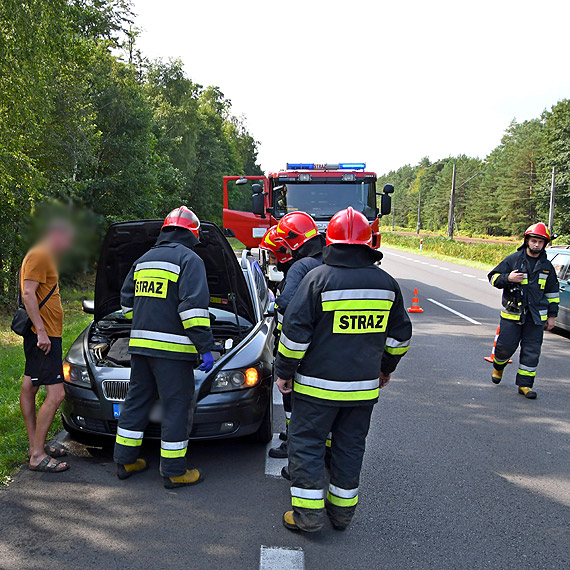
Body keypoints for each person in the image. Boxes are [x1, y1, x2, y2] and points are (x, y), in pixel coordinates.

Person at [274, 207, 412, 532]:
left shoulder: (316, 279)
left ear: (330, 243)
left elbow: (295, 335)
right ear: (368, 243)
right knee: (349, 448)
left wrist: (285, 372)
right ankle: (341, 515)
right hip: (362, 390)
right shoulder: (387, 285)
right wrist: (386, 368)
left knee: (307, 445)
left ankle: (307, 517)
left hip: (315, 389)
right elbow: (400, 337)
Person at [114, 207, 216, 488]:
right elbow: (193, 310)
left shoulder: (143, 260)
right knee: (176, 407)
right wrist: (205, 347)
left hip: (140, 349)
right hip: (173, 352)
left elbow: (126, 304)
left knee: (136, 401)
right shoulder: (190, 259)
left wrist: (148, 320)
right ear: (192, 234)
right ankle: (174, 471)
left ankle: (124, 461)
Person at [269, 212, 325, 461]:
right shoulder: (328, 260)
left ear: (291, 241)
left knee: (293, 399)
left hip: (300, 349)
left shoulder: (301, 267)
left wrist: (273, 304)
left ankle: (294, 443)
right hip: (328, 347)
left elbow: (288, 306)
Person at [20, 220, 75, 473]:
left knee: (29, 386)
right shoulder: (40, 254)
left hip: (45, 334)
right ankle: (38, 455)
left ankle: (36, 445)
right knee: (57, 394)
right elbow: (28, 294)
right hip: (44, 337)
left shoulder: (45, 256)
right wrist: (41, 332)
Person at [488, 222, 560, 399]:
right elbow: (493, 278)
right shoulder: (513, 260)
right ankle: (498, 366)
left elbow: (552, 294)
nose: (536, 244)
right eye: (534, 241)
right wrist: (508, 278)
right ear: (527, 240)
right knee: (505, 347)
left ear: (544, 244)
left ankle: (525, 385)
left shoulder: (547, 267)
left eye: (540, 242)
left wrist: (551, 317)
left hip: (535, 319)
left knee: (532, 351)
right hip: (512, 315)